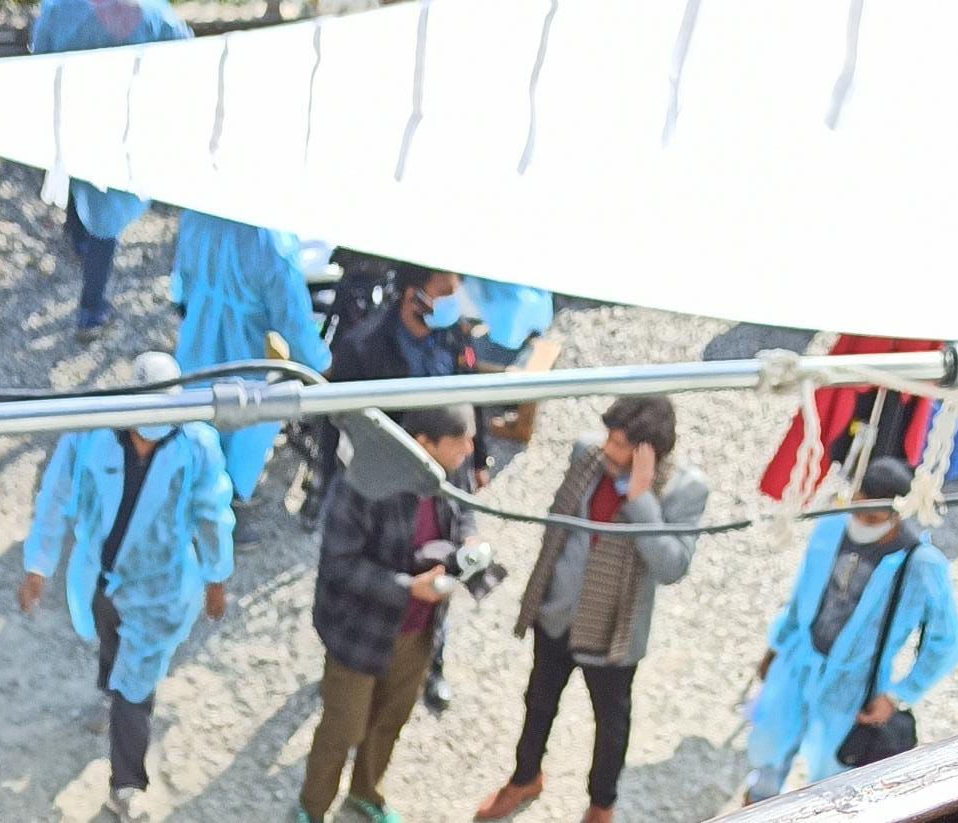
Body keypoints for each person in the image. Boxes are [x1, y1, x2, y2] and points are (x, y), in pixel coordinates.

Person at [17, 351, 235, 823]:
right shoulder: (91, 430)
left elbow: (212, 512)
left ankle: (126, 784)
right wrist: (39, 565)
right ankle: (107, 694)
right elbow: (55, 494)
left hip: (159, 587)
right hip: (101, 575)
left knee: (137, 687)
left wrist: (217, 577)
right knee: (110, 640)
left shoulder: (196, 444)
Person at [475, 396, 709, 823]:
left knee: (611, 723)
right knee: (539, 701)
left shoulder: (684, 488)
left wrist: (640, 500)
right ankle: (525, 776)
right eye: (608, 438)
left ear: (648, 452)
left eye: (619, 444)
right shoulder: (588, 453)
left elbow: (672, 565)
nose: (607, 449)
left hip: (613, 629)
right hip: (558, 612)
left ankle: (602, 804)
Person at [309, 261, 488, 712]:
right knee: (376, 569)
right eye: (444, 293)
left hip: (441, 477)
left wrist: (477, 456)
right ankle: (346, 664)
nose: (453, 305)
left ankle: (432, 661)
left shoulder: (453, 336)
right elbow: (335, 421)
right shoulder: (363, 348)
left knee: (440, 563)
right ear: (413, 295)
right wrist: (331, 482)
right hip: (384, 487)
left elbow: (471, 399)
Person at [743, 457, 958, 802]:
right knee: (769, 748)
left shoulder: (919, 564)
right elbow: (801, 597)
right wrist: (774, 649)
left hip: (853, 690)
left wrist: (898, 694)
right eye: (858, 509)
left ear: (895, 513)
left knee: (832, 779)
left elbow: (946, 642)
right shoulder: (831, 527)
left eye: (872, 517)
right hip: (798, 664)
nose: (860, 521)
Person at [297, 404, 479, 823]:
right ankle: (311, 808)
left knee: (390, 718)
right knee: (343, 728)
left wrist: (468, 540)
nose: (470, 450)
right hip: (359, 634)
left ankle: (366, 793)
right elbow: (340, 565)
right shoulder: (362, 486)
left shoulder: (449, 469)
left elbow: (464, 507)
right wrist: (406, 587)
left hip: (416, 632)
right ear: (423, 445)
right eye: (460, 442)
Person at [30, 0, 190, 342]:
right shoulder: (148, 0)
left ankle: (76, 238)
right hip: (125, 126)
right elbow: (183, 51)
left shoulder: (58, 0)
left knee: (83, 189)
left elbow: (39, 56)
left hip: (73, 119)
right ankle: (90, 309)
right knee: (108, 219)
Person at [171, 210, 331, 546]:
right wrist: (321, 364)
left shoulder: (198, 212)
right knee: (243, 431)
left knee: (191, 422)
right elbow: (294, 322)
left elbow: (182, 285)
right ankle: (223, 515)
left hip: (196, 344)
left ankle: (182, 503)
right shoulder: (273, 242)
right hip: (243, 359)